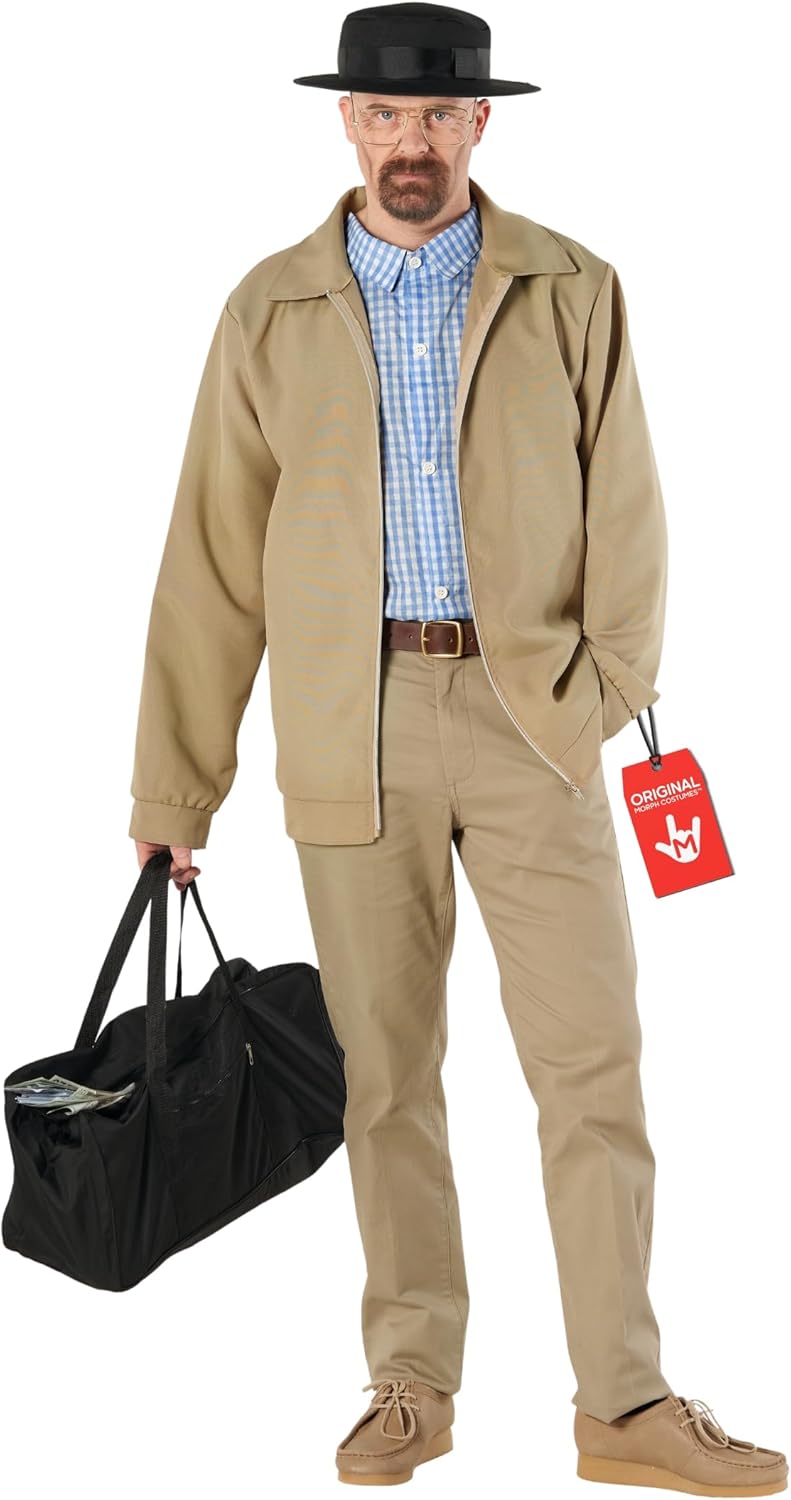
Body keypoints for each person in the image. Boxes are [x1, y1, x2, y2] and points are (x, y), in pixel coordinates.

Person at [129, 3, 787, 1491]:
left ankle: (625, 1405)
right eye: (383, 115)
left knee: (592, 1067)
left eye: (436, 116)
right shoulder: (268, 310)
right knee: (384, 1079)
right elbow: (211, 563)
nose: (409, 142)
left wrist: (596, 694)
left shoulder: (571, 286)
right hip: (344, 733)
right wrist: (177, 789)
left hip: (532, 722)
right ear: (345, 123)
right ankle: (412, 1385)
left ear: (481, 122)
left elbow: (630, 508)